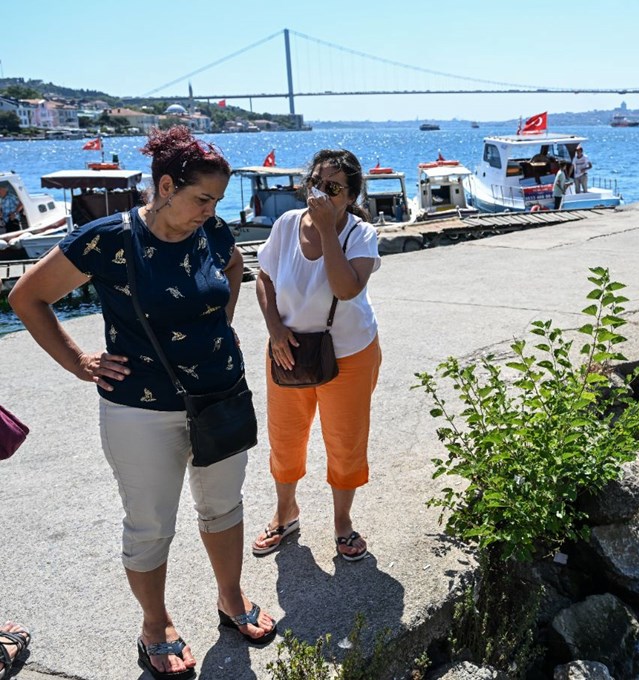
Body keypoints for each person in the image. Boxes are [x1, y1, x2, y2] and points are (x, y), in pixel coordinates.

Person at [9, 126, 276, 680]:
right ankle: (155, 625)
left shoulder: (215, 231)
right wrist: (80, 361)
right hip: (141, 409)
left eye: (217, 201)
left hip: (221, 394)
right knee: (151, 524)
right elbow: (27, 296)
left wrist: (218, 327)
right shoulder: (107, 238)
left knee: (224, 507)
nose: (210, 210)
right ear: (165, 185)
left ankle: (231, 600)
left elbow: (232, 268)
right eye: (202, 198)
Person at [252, 149, 382, 564]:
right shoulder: (286, 224)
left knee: (345, 441)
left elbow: (346, 289)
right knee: (285, 438)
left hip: (349, 354)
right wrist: (274, 328)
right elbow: (264, 278)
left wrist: (328, 230)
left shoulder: (360, 234)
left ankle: (342, 523)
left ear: (350, 195)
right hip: (287, 349)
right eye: (316, 184)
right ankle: (285, 511)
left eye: (333, 188)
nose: (321, 194)